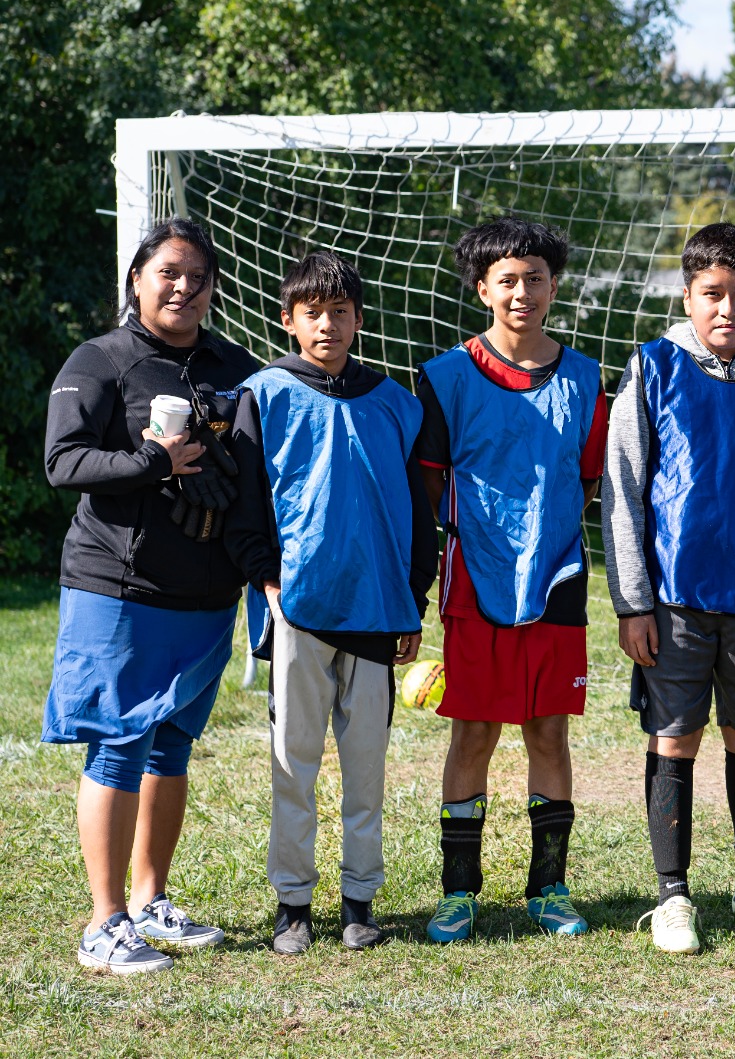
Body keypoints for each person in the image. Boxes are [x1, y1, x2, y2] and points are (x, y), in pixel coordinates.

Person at [42, 218, 259, 974]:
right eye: (168, 272)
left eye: (198, 276)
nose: (183, 286)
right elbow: (63, 462)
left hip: (205, 591)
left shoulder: (234, 366)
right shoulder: (100, 360)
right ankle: (104, 923)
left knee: (172, 745)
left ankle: (151, 899)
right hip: (119, 588)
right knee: (119, 743)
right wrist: (151, 461)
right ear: (137, 279)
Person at [603, 222, 735, 954]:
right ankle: (671, 896)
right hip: (675, 600)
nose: (728, 308)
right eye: (713, 293)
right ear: (688, 295)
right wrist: (633, 600)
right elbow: (623, 489)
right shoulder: (655, 366)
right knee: (675, 738)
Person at [226, 252, 436, 954]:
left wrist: (413, 596)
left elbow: (419, 511)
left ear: (359, 319)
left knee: (367, 769)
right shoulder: (264, 394)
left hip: (378, 612)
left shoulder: (396, 403)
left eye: (340, 311)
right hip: (299, 610)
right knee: (295, 761)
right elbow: (247, 502)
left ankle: (359, 900)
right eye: (313, 311)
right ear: (288, 320)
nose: (328, 323)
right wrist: (268, 580)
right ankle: (292, 903)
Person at [414, 216, 607, 942]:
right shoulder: (445, 377)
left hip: (556, 582)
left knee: (549, 733)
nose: (521, 291)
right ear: (481, 288)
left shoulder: (588, 379)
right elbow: (431, 489)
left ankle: (548, 887)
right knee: (472, 735)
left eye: (535, 278)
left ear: (554, 285)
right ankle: (459, 890)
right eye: (506, 280)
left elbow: (586, 481)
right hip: (475, 585)